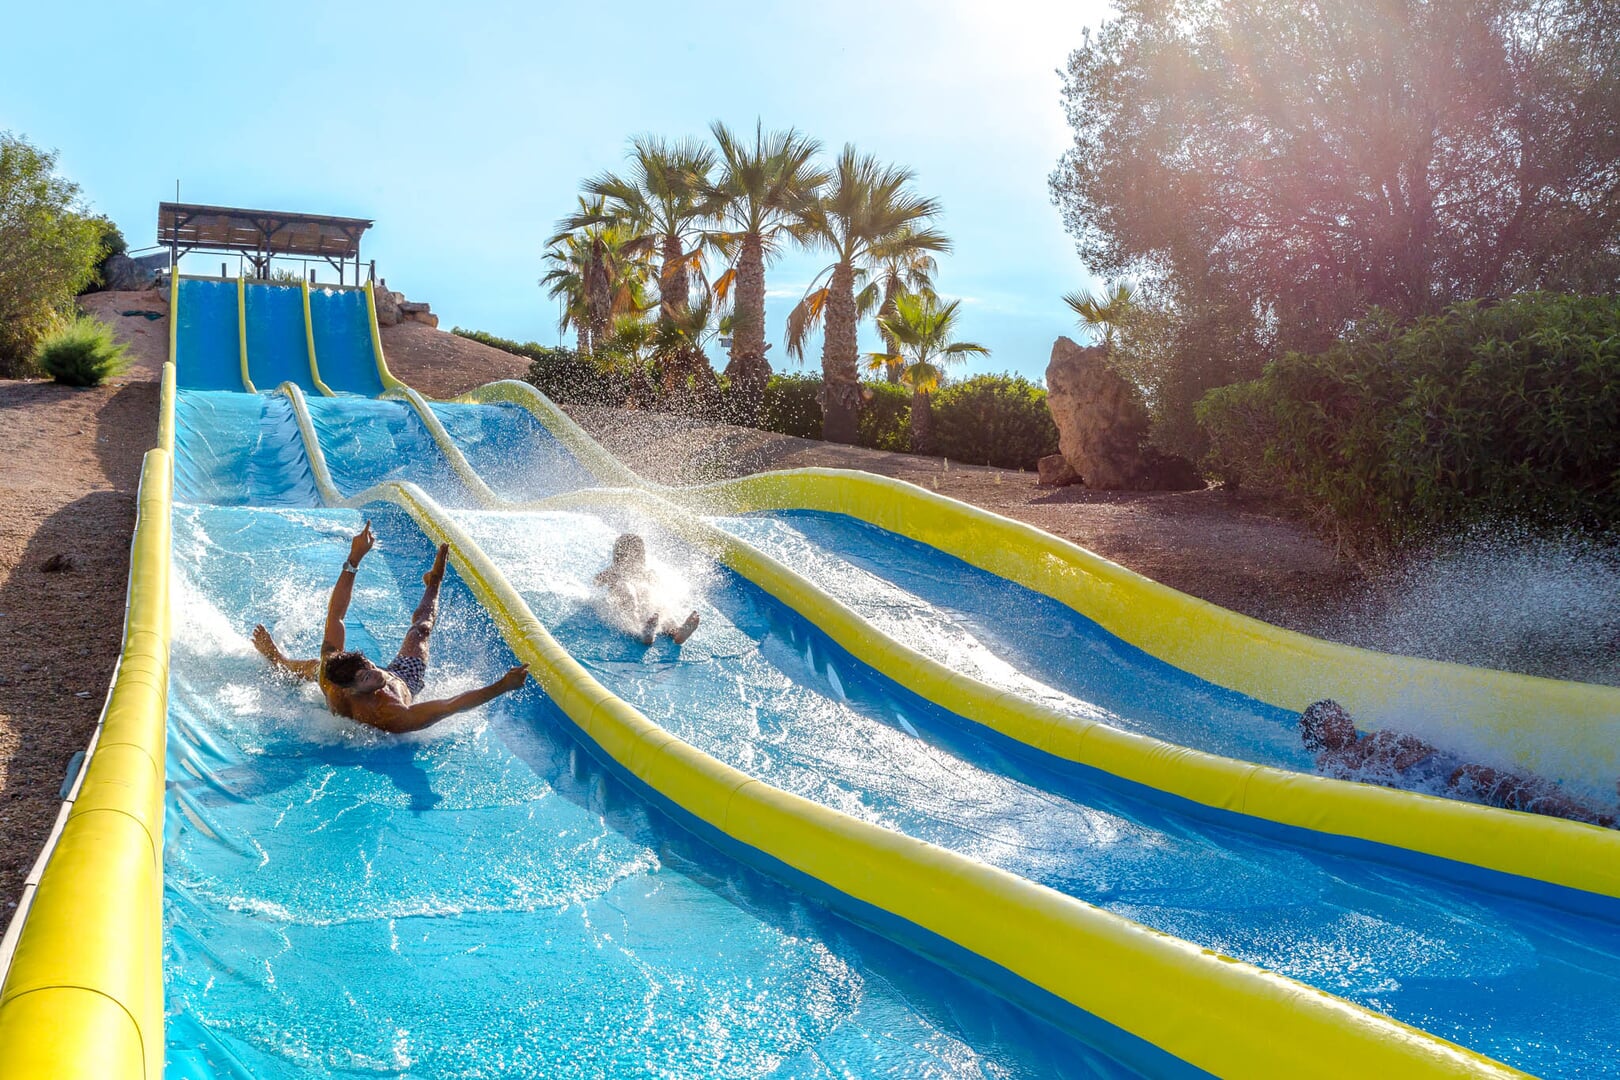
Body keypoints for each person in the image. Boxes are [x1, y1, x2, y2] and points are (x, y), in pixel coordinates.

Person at [252, 522, 528, 733]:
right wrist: (502, 685)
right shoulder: (391, 714)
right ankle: (277, 659)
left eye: (369, 666)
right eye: (366, 677)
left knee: (420, 629)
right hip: (407, 681)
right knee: (317, 669)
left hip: (396, 676)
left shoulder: (338, 669)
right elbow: (450, 705)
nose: (376, 673)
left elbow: (336, 615)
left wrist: (354, 559)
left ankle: (434, 582)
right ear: (349, 690)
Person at [1298, 699, 1617, 827]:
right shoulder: (1330, 761)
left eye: (1341, 712)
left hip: (1443, 765)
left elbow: (1422, 746)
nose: (1343, 718)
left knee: (1518, 775)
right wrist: (1388, 752)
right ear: (1319, 732)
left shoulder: (1370, 739)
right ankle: (1598, 821)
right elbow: (1371, 781)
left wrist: (1394, 744)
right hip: (1434, 783)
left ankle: (1602, 809)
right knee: (1485, 776)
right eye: (1332, 719)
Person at [594, 533, 699, 646]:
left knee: (658, 602)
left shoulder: (647, 573)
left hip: (646, 610)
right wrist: (609, 577)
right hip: (624, 605)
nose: (631, 559)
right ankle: (643, 631)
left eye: (635, 554)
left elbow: (658, 590)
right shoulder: (613, 571)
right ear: (619, 557)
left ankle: (677, 632)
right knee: (626, 588)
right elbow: (596, 582)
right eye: (628, 555)